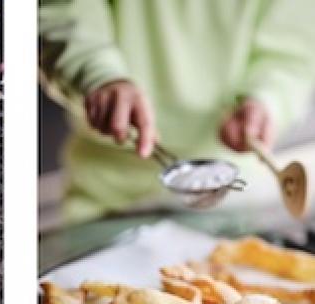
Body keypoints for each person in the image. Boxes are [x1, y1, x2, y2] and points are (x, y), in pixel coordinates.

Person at [39, 0, 315, 225]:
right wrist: (98, 75)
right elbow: (61, 10)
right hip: (106, 189)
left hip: (231, 196)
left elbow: (292, 54)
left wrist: (267, 99)